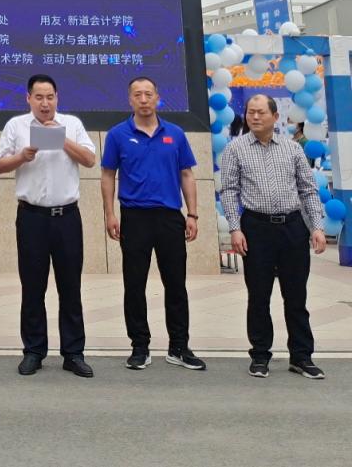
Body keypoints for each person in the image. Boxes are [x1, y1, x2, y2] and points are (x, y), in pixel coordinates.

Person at [219, 94, 328, 379]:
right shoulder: (235, 149)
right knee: (259, 296)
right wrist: (235, 228)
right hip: (256, 228)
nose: (255, 117)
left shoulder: (292, 149)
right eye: (250, 112)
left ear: (275, 117)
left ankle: (301, 356)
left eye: (261, 112)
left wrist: (316, 226)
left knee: (296, 296)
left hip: (292, 227)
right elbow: (229, 190)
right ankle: (260, 355)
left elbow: (308, 190)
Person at [100, 77, 206, 372]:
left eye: (148, 94)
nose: (144, 99)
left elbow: (187, 174)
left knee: (176, 284)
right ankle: (139, 346)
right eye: (138, 94)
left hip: (170, 217)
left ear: (158, 97)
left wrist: (192, 214)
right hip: (134, 217)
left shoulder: (175, 134)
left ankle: (179, 346)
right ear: (130, 99)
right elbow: (108, 175)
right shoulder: (118, 134)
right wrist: (109, 214)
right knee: (134, 284)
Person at [0, 74, 96, 378]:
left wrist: (61, 139)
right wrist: (22, 156)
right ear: (28, 99)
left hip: (67, 218)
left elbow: (90, 159)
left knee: (70, 287)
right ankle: (34, 351)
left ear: (57, 98)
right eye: (38, 97)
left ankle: (73, 353)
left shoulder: (72, 124)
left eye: (50, 97)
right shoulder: (16, 126)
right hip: (32, 218)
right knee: (32, 287)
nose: (45, 103)